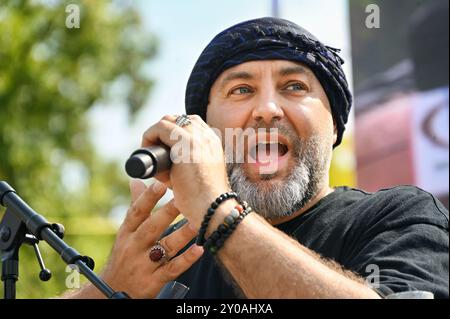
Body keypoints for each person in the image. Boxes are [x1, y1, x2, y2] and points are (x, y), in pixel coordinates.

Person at [65, 17, 449, 299]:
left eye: (294, 86)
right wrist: (108, 290)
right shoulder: (171, 251)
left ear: (334, 127)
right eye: (241, 89)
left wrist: (217, 212)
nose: (267, 109)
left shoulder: (400, 217)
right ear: (206, 133)